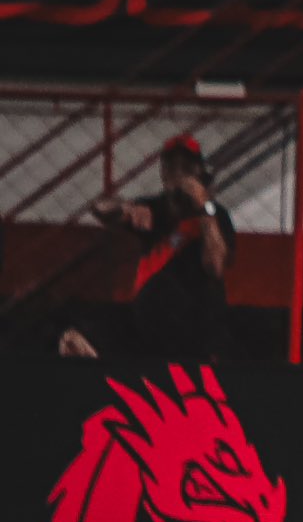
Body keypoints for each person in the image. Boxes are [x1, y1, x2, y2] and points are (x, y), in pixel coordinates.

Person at [58, 134, 234, 362]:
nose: (178, 174)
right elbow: (101, 209)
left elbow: (215, 265)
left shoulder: (215, 214)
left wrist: (202, 207)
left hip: (196, 332)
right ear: (163, 173)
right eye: (172, 167)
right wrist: (126, 208)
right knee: (73, 339)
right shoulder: (156, 208)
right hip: (149, 326)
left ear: (199, 171)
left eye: (186, 167)